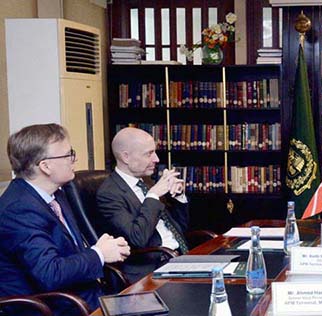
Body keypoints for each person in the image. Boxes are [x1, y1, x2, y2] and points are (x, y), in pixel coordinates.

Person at [0, 124, 130, 313]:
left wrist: (107, 249)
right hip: (54, 307)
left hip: (84, 297)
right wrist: (99, 254)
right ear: (45, 166)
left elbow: (69, 252)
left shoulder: (57, 194)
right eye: (68, 154)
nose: (74, 159)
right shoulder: (19, 210)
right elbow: (50, 274)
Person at [96, 127, 189, 282]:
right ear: (126, 157)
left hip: (178, 257)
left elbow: (180, 229)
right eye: (149, 154)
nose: (157, 159)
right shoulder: (109, 194)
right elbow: (137, 238)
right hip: (151, 268)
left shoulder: (145, 181)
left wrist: (179, 196)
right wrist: (153, 195)